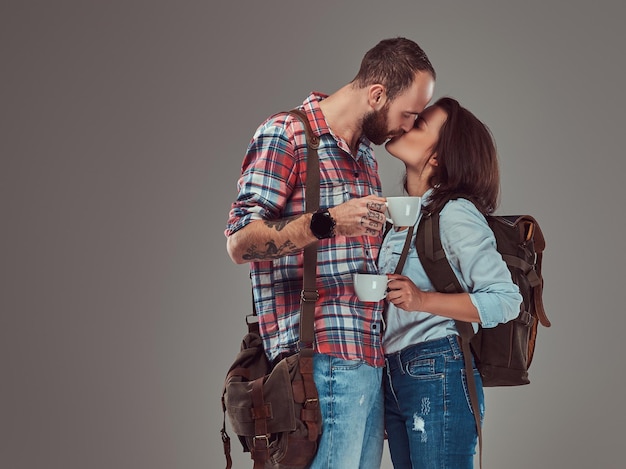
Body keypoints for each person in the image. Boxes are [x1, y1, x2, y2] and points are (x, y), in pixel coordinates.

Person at [225, 37, 435, 469]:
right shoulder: (288, 134)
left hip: (367, 356)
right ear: (377, 94)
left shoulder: (364, 156)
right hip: (320, 358)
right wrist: (328, 221)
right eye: (408, 114)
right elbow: (240, 241)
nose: (409, 127)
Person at [378, 97, 523, 468]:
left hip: (437, 368)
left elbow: (506, 299)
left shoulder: (455, 213)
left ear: (439, 157)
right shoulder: (402, 217)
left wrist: (422, 300)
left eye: (420, 124)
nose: (407, 123)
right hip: (395, 374)